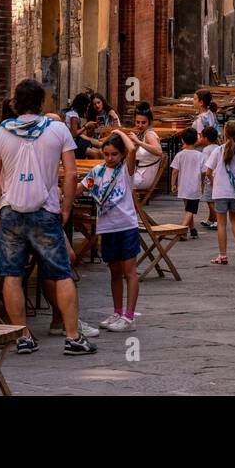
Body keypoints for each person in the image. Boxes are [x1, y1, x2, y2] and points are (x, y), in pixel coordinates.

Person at [0, 78, 96, 356]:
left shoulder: (0, 134)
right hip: (46, 211)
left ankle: (22, 336)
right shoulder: (57, 129)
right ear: (41, 103)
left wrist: (1, 208)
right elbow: (71, 174)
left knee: (11, 274)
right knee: (61, 273)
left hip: (11, 211)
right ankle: (72, 337)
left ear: (15, 103)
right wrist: (67, 208)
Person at [81, 130, 142, 332]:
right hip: (107, 228)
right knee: (114, 272)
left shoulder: (126, 170)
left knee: (129, 271)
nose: (109, 158)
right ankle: (117, 311)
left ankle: (129, 316)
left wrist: (118, 131)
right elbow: (82, 187)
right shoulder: (97, 172)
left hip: (126, 225)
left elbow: (132, 148)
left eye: (114, 154)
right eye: (106, 154)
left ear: (121, 154)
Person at [207, 119, 235, 264]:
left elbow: (208, 171)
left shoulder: (218, 150)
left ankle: (223, 255)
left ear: (224, 133)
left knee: (221, 223)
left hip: (220, 191)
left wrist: (214, 182)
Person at [170, 127, 204, 240]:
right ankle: (182, 230)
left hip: (183, 186)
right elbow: (204, 172)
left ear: (182, 140)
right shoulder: (200, 155)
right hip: (194, 186)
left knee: (188, 209)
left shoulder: (180, 155)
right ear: (196, 140)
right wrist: (203, 184)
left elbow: (174, 171)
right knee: (191, 210)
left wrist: (173, 184)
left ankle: (192, 229)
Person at [130, 103, 164, 192]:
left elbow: (159, 151)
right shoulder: (142, 134)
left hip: (144, 178)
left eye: (143, 122)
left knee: (114, 182)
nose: (140, 125)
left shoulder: (149, 134)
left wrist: (138, 142)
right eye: (137, 122)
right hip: (138, 174)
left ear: (149, 122)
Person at [198, 124, 220, 230]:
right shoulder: (218, 148)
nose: (200, 139)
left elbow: (205, 167)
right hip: (218, 176)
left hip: (210, 177)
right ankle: (211, 218)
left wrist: (203, 180)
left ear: (205, 138)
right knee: (212, 199)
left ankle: (216, 220)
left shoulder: (206, 150)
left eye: (201, 137)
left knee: (210, 200)